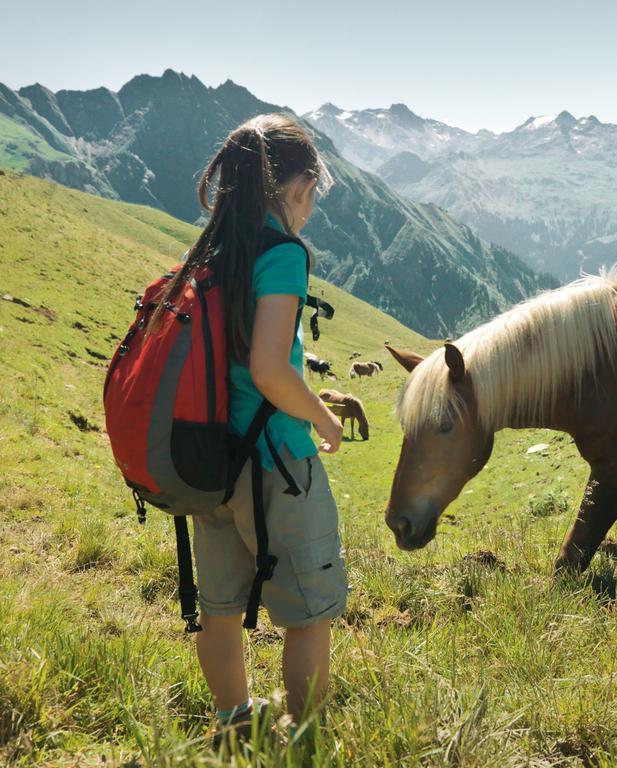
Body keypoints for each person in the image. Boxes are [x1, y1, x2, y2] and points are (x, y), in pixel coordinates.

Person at [168, 113, 348, 744]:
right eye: (314, 188)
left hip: (211, 460)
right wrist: (323, 416)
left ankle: (233, 727)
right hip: (276, 462)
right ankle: (303, 740)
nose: (313, 203)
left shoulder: (217, 246)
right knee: (307, 615)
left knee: (218, 612)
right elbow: (270, 369)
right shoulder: (281, 254)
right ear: (296, 183)